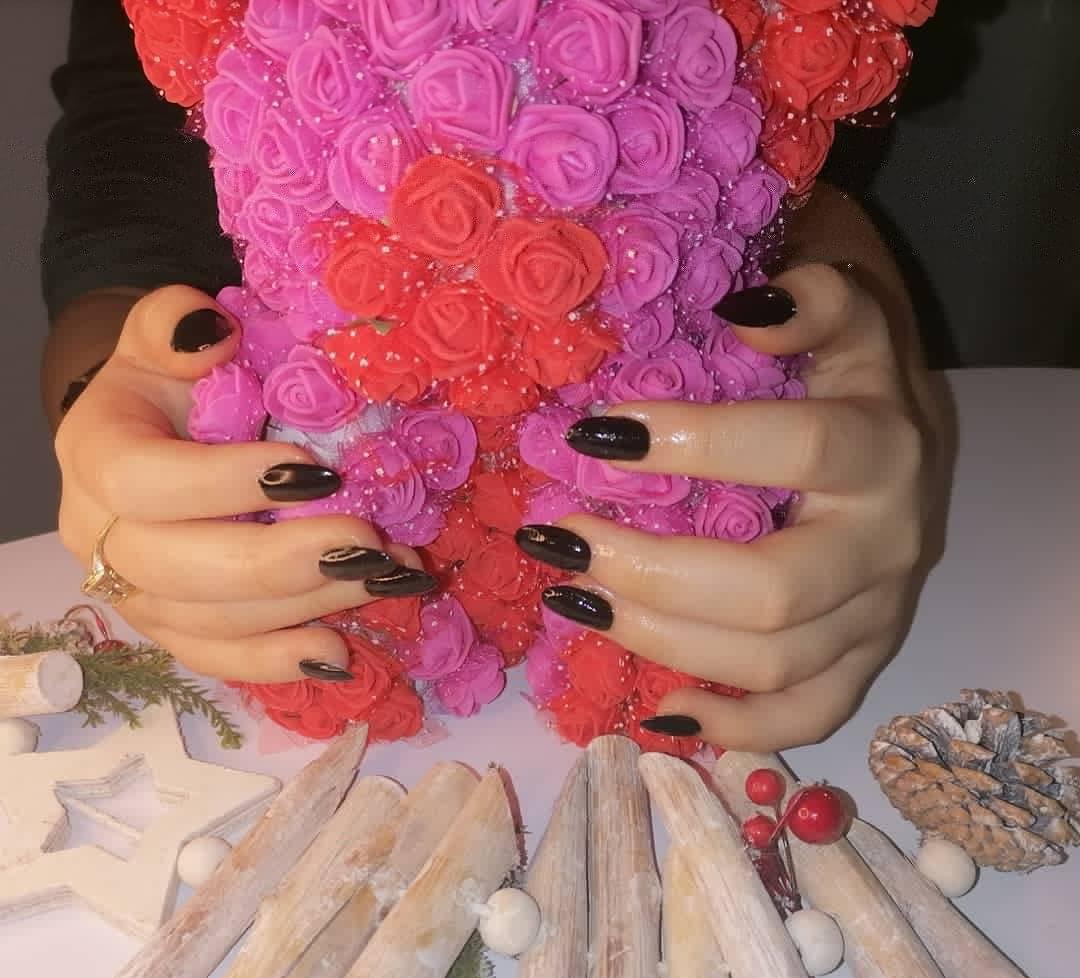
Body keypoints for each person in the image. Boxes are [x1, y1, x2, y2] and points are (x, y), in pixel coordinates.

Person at [42, 0, 946, 751]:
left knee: (670, 512)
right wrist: (122, 427)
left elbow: (810, 181)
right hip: (343, 359)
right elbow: (120, 215)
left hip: (647, 340)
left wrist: (857, 354)